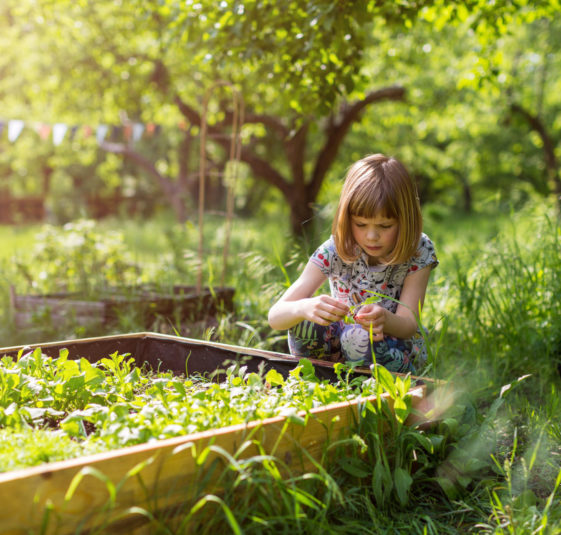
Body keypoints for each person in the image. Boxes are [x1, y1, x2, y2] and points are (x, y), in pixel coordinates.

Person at [268, 154, 438, 373]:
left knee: (356, 336)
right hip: (342, 350)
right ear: (347, 218)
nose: (371, 236)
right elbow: (275, 315)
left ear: (405, 220)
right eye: (361, 224)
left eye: (385, 226)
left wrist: (385, 319)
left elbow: (408, 325)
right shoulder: (336, 249)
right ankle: (319, 379)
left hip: (392, 350)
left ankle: (372, 391)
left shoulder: (418, 250)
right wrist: (304, 307)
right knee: (306, 322)